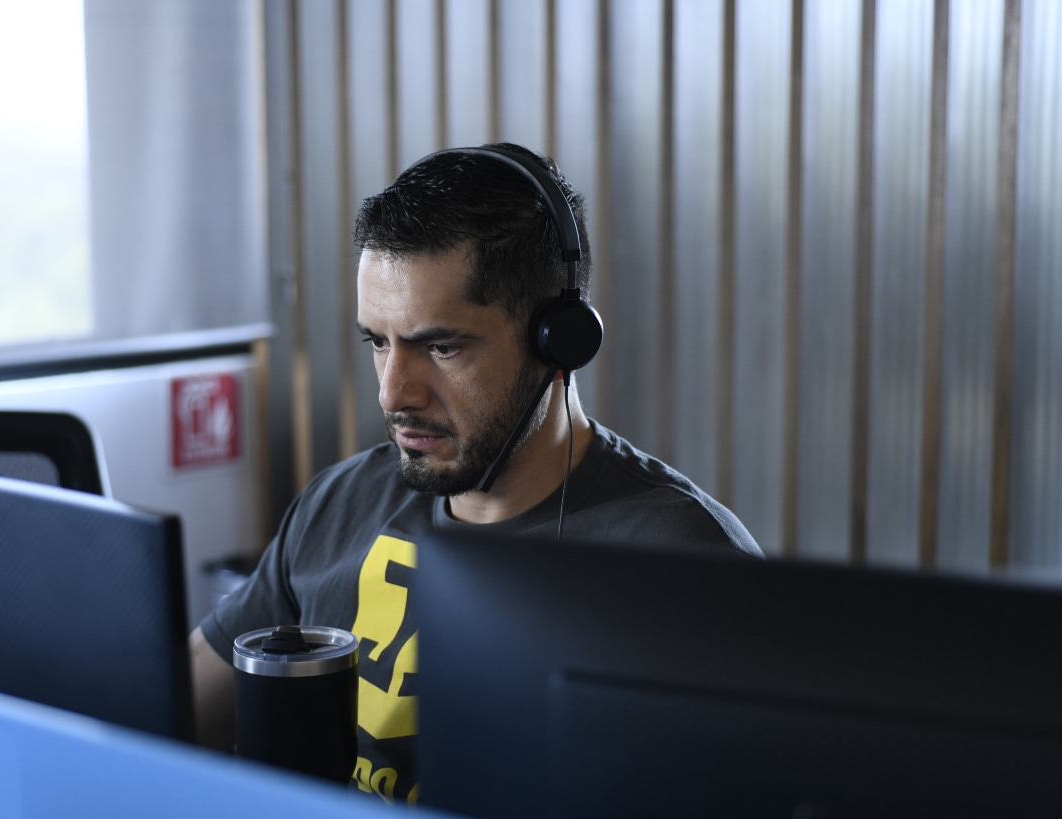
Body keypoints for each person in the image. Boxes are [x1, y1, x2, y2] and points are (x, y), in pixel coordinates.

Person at [189, 143, 762, 806]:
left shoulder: (685, 566)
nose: (393, 393)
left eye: (440, 345)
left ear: (558, 342)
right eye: (378, 341)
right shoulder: (339, 502)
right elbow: (168, 703)